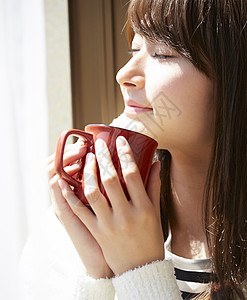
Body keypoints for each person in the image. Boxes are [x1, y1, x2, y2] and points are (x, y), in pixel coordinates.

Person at [20, 0, 247, 299]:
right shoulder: (81, 220)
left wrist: (141, 273)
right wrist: (96, 275)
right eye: (134, 49)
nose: (124, 74)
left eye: (162, 53)